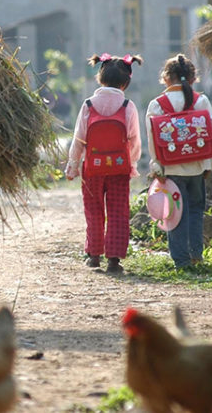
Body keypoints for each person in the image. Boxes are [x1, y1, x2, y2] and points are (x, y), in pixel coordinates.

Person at [65, 53, 143, 274]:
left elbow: (79, 138)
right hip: (119, 168)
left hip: (93, 167)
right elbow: (134, 139)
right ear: (126, 82)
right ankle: (114, 260)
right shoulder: (128, 106)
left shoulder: (88, 104)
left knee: (94, 209)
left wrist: (73, 165)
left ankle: (94, 255)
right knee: (118, 211)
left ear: (100, 77)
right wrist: (133, 164)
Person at [145, 53, 212, 270]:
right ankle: (196, 255)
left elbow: (152, 139)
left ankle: (181, 262)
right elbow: (210, 134)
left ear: (166, 78)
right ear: (193, 79)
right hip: (196, 167)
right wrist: (208, 165)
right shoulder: (200, 101)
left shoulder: (157, 105)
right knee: (195, 210)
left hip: (170, 168)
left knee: (174, 215)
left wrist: (157, 166)